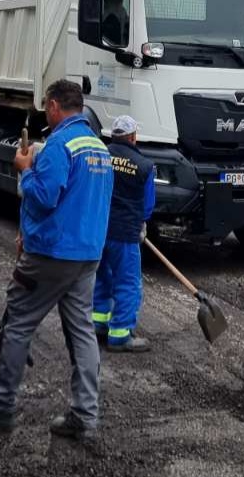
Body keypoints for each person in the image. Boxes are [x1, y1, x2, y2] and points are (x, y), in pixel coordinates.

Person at [0, 79, 113, 440]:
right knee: (82, 333)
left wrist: (24, 169)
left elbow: (43, 196)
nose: (46, 111)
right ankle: (85, 416)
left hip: (51, 254)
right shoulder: (98, 147)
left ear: (55, 106)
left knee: (17, 324)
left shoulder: (60, 144)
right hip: (87, 255)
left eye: (47, 105)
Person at [93, 115, 156, 353]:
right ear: (133, 137)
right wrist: (142, 224)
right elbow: (147, 205)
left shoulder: (99, 155)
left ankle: (98, 323)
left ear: (114, 135)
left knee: (102, 277)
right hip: (125, 234)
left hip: (100, 230)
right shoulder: (144, 166)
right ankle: (120, 334)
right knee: (127, 283)